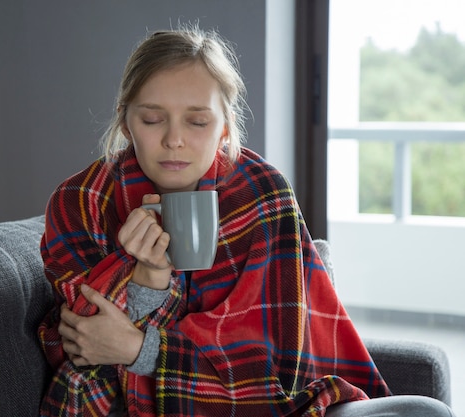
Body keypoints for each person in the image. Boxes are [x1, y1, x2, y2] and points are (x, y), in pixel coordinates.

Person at [37, 25, 454, 417]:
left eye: (198, 121)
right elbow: (81, 348)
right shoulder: (82, 202)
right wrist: (147, 278)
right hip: (141, 405)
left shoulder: (262, 192)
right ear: (126, 122)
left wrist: (141, 349)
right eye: (151, 119)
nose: (174, 139)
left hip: (271, 402)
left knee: (424, 411)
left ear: (224, 130)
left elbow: (281, 361)